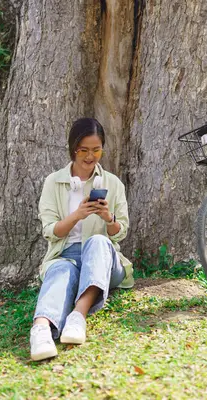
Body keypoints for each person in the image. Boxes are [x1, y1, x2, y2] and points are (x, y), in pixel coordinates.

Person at [30, 117, 134, 361]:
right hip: (65, 254)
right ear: (73, 149)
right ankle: (41, 329)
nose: (90, 156)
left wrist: (109, 218)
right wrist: (77, 215)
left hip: (104, 260)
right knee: (59, 270)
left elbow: (121, 231)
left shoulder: (113, 183)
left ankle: (78, 317)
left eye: (96, 150)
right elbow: (51, 231)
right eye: (84, 150)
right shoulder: (53, 182)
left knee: (97, 241)